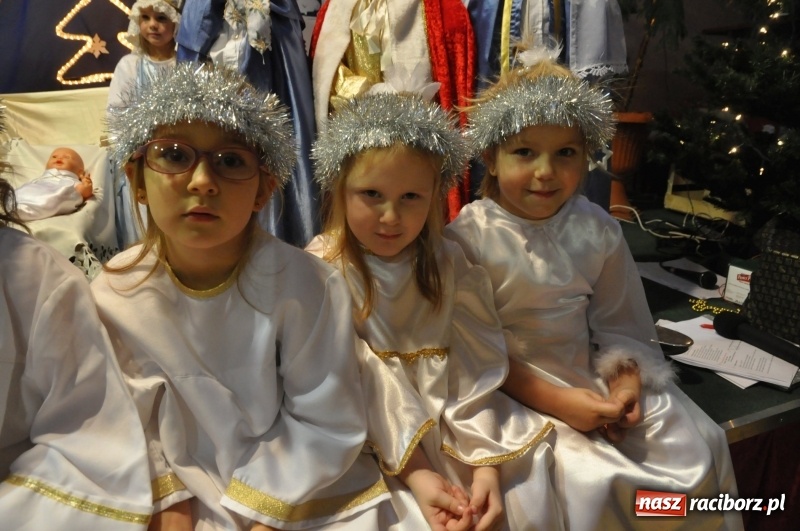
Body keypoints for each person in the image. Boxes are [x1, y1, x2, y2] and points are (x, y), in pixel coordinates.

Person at [96, 62, 406, 530]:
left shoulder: (308, 287)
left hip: (296, 486)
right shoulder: (114, 292)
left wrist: (264, 513)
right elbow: (121, 422)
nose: (202, 181)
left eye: (231, 160)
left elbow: (325, 419)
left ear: (265, 189)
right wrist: (172, 504)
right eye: (175, 155)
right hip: (162, 491)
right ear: (137, 179)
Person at [445, 47, 744, 530]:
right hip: (510, 390)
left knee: (694, 444)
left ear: (587, 156)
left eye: (565, 153)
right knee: (580, 480)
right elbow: (475, 354)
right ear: (490, 158)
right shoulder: (466, 239)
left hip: (588, 376)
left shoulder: (597, 229)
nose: (545, 171)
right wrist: (561, 403)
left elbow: (622, 323)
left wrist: (624, 384)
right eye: (525, 152)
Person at [307, 78, 561, 531]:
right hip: (363, 435)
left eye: (411, 198)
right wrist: (418, 471)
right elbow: (349, 377)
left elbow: (474, 366)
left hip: (457, 425)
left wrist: (485, 462)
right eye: (372, 195)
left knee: (525, 492)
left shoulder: (449, 264)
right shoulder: (321, 270)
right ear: (340, 190)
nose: (391, 217)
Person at [0, 158, 152, 524]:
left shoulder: (38, 278)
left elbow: (90, 434)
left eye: (67, 158)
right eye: (54, 157)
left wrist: (75, 189)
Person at [108, 0, 182, 249]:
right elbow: (117, 115)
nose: (153, 25)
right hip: (140, 156)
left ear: (175, 22)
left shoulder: (186, 64)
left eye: (161, 18)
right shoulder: (130, 66)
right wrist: (131, 153)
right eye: (146, 18)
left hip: (180, 155)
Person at [13, 147, 94, 221]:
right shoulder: (39, 179)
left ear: (80, 172)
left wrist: (86, 187)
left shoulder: (71, 181)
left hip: (54, 194)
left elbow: (83, 193)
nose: (59, 158)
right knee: (21, 191)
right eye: (54, 157)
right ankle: (7, 205)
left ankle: (22, 211)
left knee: (56, 198)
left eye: (67, 157)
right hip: (35, 188)